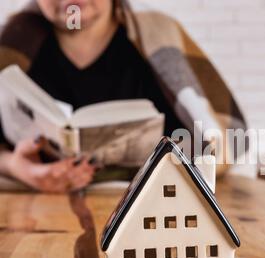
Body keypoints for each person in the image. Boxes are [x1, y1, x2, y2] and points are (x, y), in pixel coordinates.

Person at [0, 0, 247, 193]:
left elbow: (217, 137)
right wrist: (15, 167)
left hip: (156, 205)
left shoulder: (161, 35)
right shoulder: (10, 42)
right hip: (39, 210)